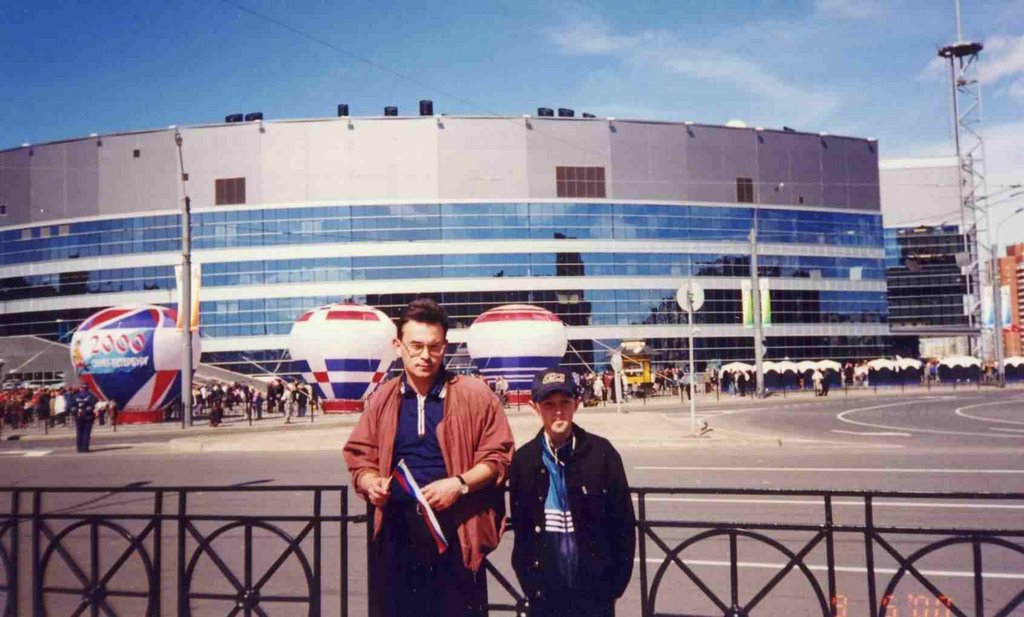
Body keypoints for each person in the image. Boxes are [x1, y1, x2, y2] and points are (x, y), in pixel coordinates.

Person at [343, 298, 515, 617]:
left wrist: (459, 484)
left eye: (434, 347)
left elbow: (498, 456)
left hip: (456, 532)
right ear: (398, 346)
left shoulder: (475, 395)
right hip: (395, 534)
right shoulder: (382, 398)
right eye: (416, 346)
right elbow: (360, 455)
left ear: (445, 347)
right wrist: (371, 482)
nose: (425, 355)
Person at [509, 367, 636, 617]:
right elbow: (522, 531)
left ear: (576, 404)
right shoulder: (524, 460)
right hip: (545, 594)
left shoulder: (602, 454)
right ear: (535, 407)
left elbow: (623, 525)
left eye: (564, 402)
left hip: (594, 593)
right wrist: (530, 584)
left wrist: (613, 587)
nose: (558, 411)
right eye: (549, 404)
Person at [71, 384, 98, 453]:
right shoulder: (91, 396)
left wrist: (75, 412)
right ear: (87, 388)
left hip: (78, 416)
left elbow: (72, 406)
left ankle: (79, 448)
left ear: (81, 388)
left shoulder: (75, 396)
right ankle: (84, 448)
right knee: (86, 433)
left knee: (79, 432)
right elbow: (93, 404)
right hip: (88, 416)